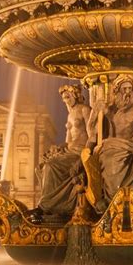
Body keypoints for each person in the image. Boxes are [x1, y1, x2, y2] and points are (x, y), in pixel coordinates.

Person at [90, 74, 133, 203]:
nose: (127, 92)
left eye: (130, 89)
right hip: (112, 145)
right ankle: (114, 202)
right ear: (116, 91)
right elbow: (92, 127)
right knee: (109, 162)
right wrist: (95, 110)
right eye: (124, 89)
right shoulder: (110, 109)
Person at [36, 85, 91, 216]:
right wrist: (59, 147)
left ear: (76, 95)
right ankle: (53, 204)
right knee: (42, 166)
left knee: (51, 166)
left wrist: (84, 156)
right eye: (64, 98)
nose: (65, 101)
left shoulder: (85, 110)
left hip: (80, 151)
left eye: (68, 97)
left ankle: (46, 206)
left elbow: (93, 135)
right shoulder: (70, 114)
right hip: (70, 151)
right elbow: (68, 140)